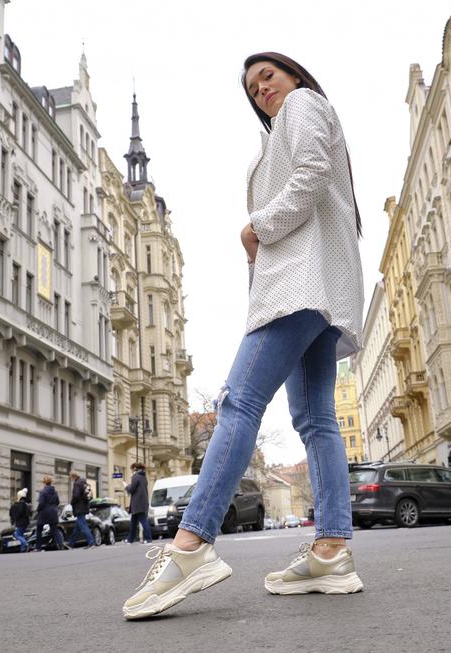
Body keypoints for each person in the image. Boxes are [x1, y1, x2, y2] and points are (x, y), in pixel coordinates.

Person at [123, 52, 365, 620]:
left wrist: (258, 226)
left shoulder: (305, 105)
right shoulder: (287, 124)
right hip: (321, 288)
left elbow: (309, 175)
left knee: (239, 400)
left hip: (301, 284)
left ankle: (193, 545)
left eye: (268, 78)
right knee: (316, 419)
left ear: (295, 77)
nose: (261, 90)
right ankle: (332, 550)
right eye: (253, 89)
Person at [35, 476, 65, 551]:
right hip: (53, 512)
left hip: (44, 513)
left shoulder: (43, 492)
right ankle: (61, 544)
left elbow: (41, 503)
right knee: (54, 529)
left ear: (44, 483)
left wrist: (38, 510)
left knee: (39, 529)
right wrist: (53, 506)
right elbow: (58, 502)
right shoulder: (55, 492)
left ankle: (38, 547)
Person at [125, 462, 152, 545]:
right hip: (142, 503)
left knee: (143, 521)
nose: (131, 470)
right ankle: (130, 539)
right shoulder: (143, 477)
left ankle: (148, 539)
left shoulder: (135, 477)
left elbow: (131, 489)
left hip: (137, 504)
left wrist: (126, 486)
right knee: (133, 522)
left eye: (132, 469)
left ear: (135, 469)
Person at [67, 470, 95, 549]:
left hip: (79, 507)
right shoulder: (83, 482)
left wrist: (71, 503)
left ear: (73, 477)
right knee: (77, 527)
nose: (70, 479)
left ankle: (91, 543)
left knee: (83, 526)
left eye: (70, 477)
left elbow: (76, 496)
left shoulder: (77, 483)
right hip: (84, 506)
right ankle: (70, 543)